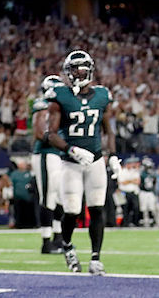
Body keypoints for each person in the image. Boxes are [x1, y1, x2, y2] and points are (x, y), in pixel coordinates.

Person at [44, 50, 120, 275]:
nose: (79, 72)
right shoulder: (60, 95)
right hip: (71, 162)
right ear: (68, 72)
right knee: (72, 210)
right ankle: (67, 246)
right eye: (75, 69)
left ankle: (96, 258)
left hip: (95, 161)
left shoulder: (102, 95)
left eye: (83, 68)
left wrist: (112, 155)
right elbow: (50, 134)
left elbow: (108, 130)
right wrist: (71, 149)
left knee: (97, 208)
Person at [30, 75, 65, 253]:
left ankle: (58, 239)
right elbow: (38, 132)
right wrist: (57, 141)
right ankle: (46, 241)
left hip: (58, 155)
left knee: (60, 196)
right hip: (46, 154)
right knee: (48, 197)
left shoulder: (60, 107)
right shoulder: (42, 105)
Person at [118, 157, 141, 226]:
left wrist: (128, 180)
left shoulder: (134, 171)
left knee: (136, 208)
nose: (130, 165)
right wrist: (132, 180)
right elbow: (122, 182)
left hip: (134, 192)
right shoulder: (122, 172)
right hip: (125, 193)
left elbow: (138, 182)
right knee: (126, 209)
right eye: (129, 163)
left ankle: (135, 222)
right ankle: (126, 223)